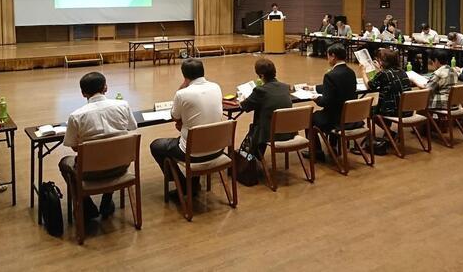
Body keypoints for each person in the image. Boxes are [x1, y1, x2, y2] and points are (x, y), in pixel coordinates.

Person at [59, 72, 137, 220]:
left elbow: (75, 147)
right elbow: (132, 127)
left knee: (64, 163)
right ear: (105, 88)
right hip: (121, 166)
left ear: (83, 93)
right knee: (112, 154)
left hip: (89, 172)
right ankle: (107, 201)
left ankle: (87, 206)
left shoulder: (76, 116)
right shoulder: (123, 105)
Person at [150, 59, 223, 196]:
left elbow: (174, 115)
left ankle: (183, 184)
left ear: (185, 76)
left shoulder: (182, 93)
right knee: (196, 137)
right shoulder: (216, 87)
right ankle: (193, 182)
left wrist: (182, 87)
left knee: (157, 145)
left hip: (193, 152)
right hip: (218, 148)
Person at [305, 44, 358, 162]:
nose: (327, 58)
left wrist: (316, 98)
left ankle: (316, 152)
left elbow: (325, 102)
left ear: (333, 56)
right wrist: (314, 88)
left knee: (310, 118)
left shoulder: (330, 75)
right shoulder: (351, 72)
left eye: (328, 56)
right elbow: (335, 87)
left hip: (335, 119)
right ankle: (332, 145)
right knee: (334, 110)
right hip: (349, 117)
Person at [239, 59, 293, 157]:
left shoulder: (260, 91)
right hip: (289, 132)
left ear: (262, 76)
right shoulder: (285, 87)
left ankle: (253, 160)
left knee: (256, 128)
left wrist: (243, 98)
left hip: (268, 134)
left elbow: (244, 106)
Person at [361, 48, 411, 122]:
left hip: (392, 111)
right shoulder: (402, 71)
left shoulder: (383, 74)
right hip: (407, 110)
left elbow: (370, 86)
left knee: (369, 110)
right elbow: (388, 77)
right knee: (386, 103)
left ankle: (389, 133)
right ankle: (387, 133)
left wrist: (363, 72)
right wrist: (380, 69)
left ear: (381, 62)